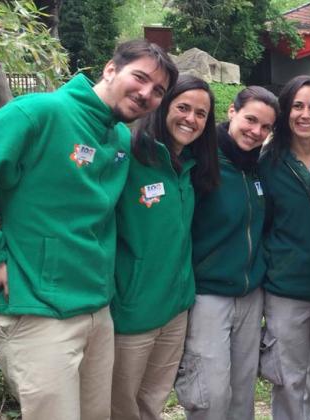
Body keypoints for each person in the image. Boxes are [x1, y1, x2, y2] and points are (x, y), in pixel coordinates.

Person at [0, 39, 176, 420]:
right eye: (139, 78)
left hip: (97, 309)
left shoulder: (120, 138)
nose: (145, 94)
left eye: (158, 91)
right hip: (38, 308)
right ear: (110, 69)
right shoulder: (39, 112)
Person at [110, 75, 220, 420]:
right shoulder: (129, 156)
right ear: (163, 108)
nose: (191, 119)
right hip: (132, 311)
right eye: (183, 108)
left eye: (201, 114)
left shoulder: (188, 168)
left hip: (175, 310)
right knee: (121, 405)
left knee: (153, 401)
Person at [174, 86, 278, 420]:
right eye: (250, 120)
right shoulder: (202, 162)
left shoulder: (257, 167)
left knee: (242, 390)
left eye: (265, 127)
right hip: (209, 295)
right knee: (211, 392)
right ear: (232, 112)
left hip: (250, 295)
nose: (256, 132)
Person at [258, 75, 310, 420]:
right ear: (285, 111)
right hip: (285, 289)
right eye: (297, 106)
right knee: (288, 377)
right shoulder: (267, 162)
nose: (305, 114)